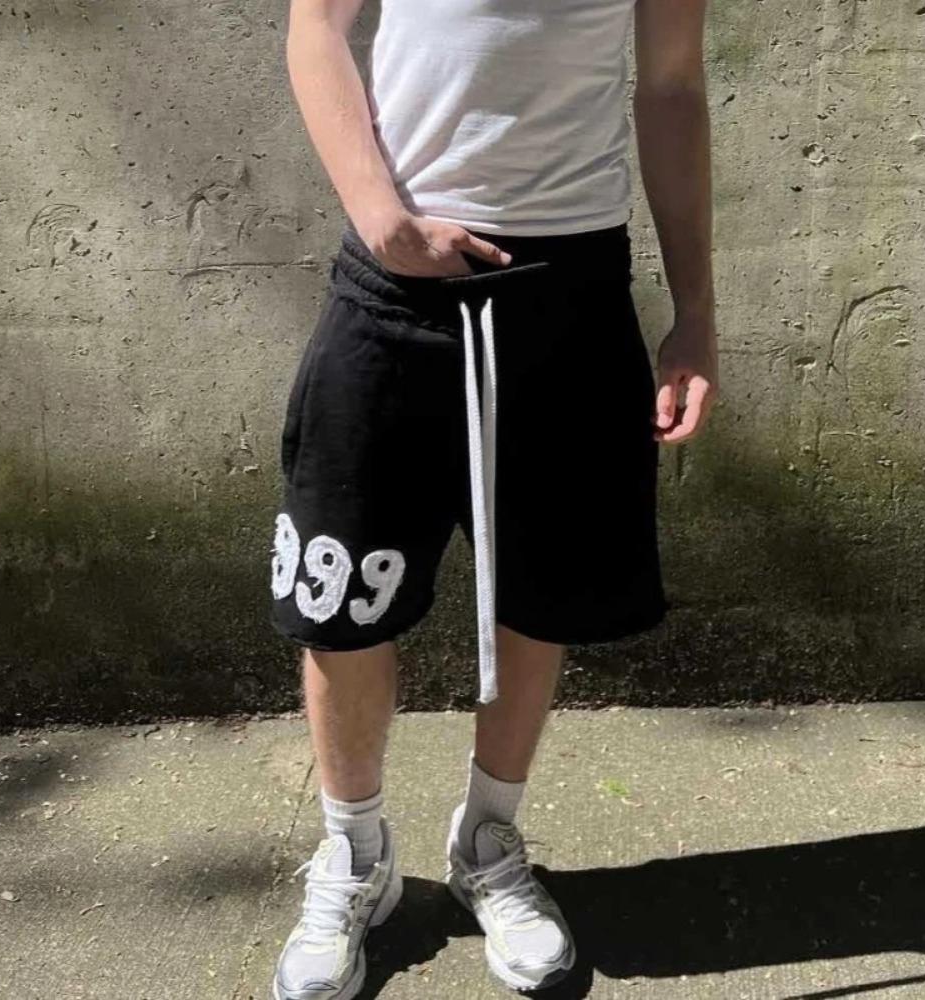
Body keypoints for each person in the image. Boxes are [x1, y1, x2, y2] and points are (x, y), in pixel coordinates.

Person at [269, 0, 718, 995]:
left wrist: (695, 312)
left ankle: (487, 838)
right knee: (341, 594)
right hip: (395, 282)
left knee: (538, 591)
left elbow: (672, 86)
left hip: (569, 286)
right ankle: (356, 853)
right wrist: (379, 215)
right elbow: (316, 29)